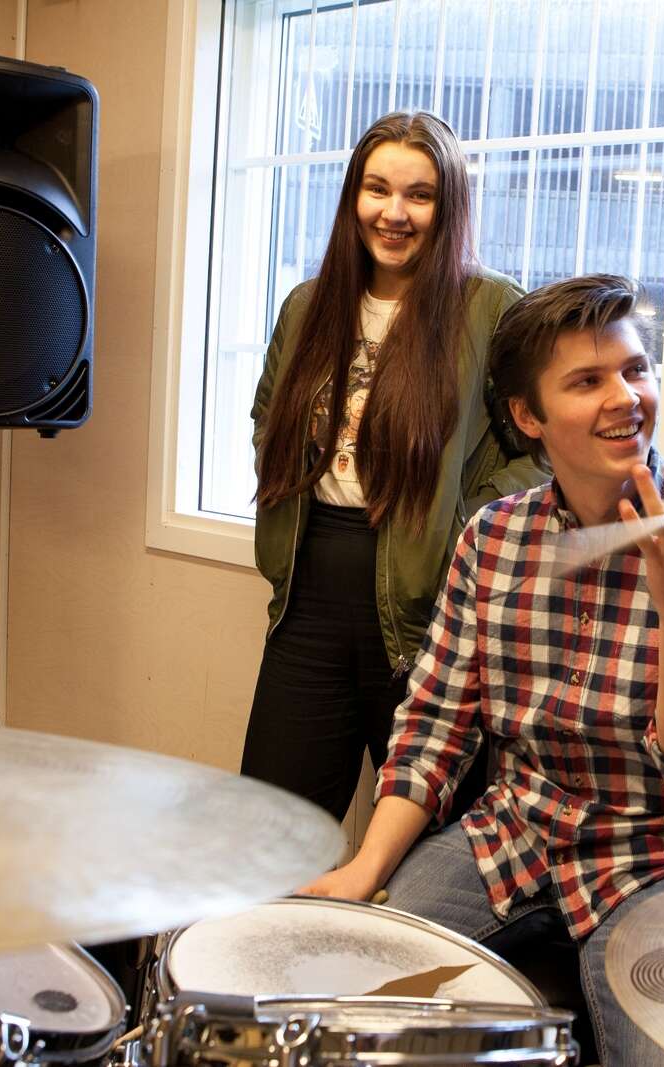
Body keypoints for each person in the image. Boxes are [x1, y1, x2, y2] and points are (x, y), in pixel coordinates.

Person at [300, 275, 664, 1067]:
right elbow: (435, 723)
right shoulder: (493, 537)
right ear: (528, 416)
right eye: (587, 381)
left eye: (636, 369)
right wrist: (363, 869)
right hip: (512, 831)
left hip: (660, 856)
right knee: (364, 1001)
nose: (625, 397)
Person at [243, 111, 543, 822]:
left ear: (449, 205)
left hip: (427, 602)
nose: (394, 213)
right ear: (354, 195)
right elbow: (266, 418)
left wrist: (461, 525)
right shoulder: (308, 305)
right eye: (377, 189)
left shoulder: (493, 308)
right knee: (270, 828)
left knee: (425, 841)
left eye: (420, 194)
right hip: (308, 592)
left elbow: (539, 450)